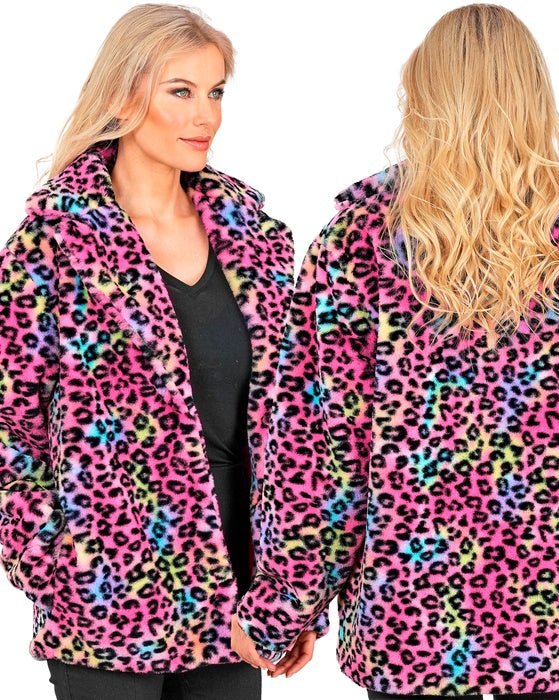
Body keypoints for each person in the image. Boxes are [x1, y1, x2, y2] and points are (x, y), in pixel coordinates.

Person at [232, 4, 559, 700]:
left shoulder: (355, 246)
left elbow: (316, 455)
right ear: (534, 97)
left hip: (410, 620)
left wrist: (281, 608)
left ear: (422, 94)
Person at [0, 4, 327, 699]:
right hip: (106, 601)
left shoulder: (256, 237)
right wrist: (52, 562)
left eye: (215, 92)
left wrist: (293, 595)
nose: (205, 116)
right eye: (181, 91)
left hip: (239, 598)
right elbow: (8, 424)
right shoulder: (54, 242)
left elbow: (300, 424)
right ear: (124, 96)